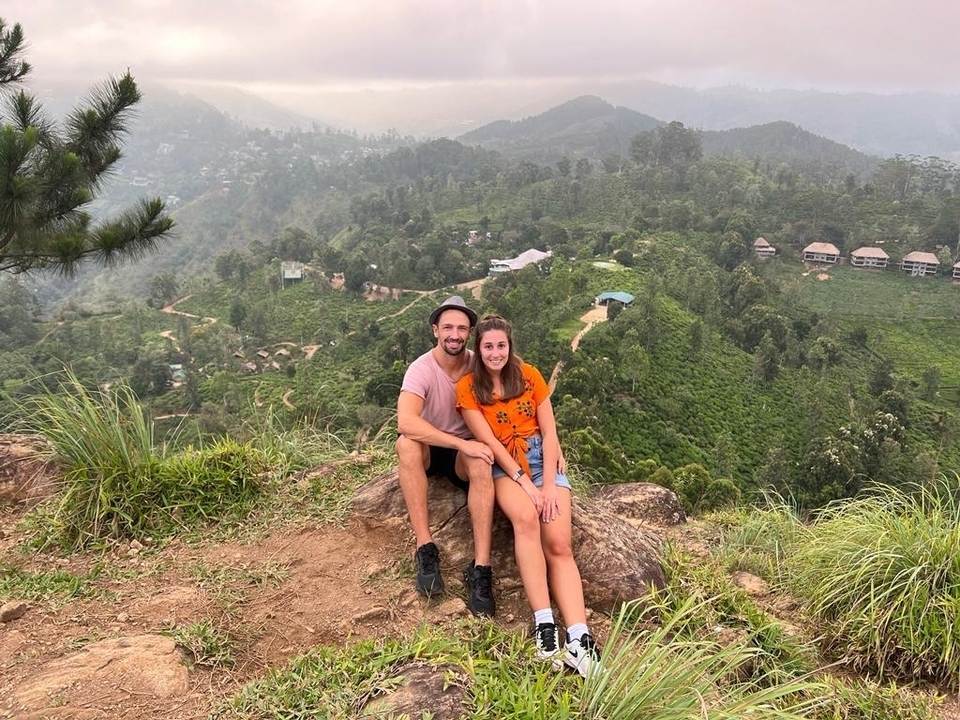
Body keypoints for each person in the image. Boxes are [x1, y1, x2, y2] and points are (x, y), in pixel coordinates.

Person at [455, 314, 602, 678]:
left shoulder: (530, 375)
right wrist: (525, 482)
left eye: (500, 346)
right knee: (525, 519)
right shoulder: (468, 388)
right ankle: (544, 625)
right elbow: (488, 442)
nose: (495, 353)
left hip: (541, 460)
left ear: (510, 346)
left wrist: (549, 483)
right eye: (487, 346)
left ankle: (580, 636)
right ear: (479, 348)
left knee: (559, 544)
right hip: (504, 466)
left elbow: (550, 432)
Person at [396, 295, 497, 617]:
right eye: (448, 327)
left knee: (482, 462)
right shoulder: (421, 368)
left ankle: (481, 568)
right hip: (433, 446)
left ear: (469, 333)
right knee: (406, 444)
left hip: (462, 454)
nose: (455, 334)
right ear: (435, 330)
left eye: (462, 328)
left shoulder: (477, 364)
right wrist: (458, 443)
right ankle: (425, 548)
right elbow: (406, 421)